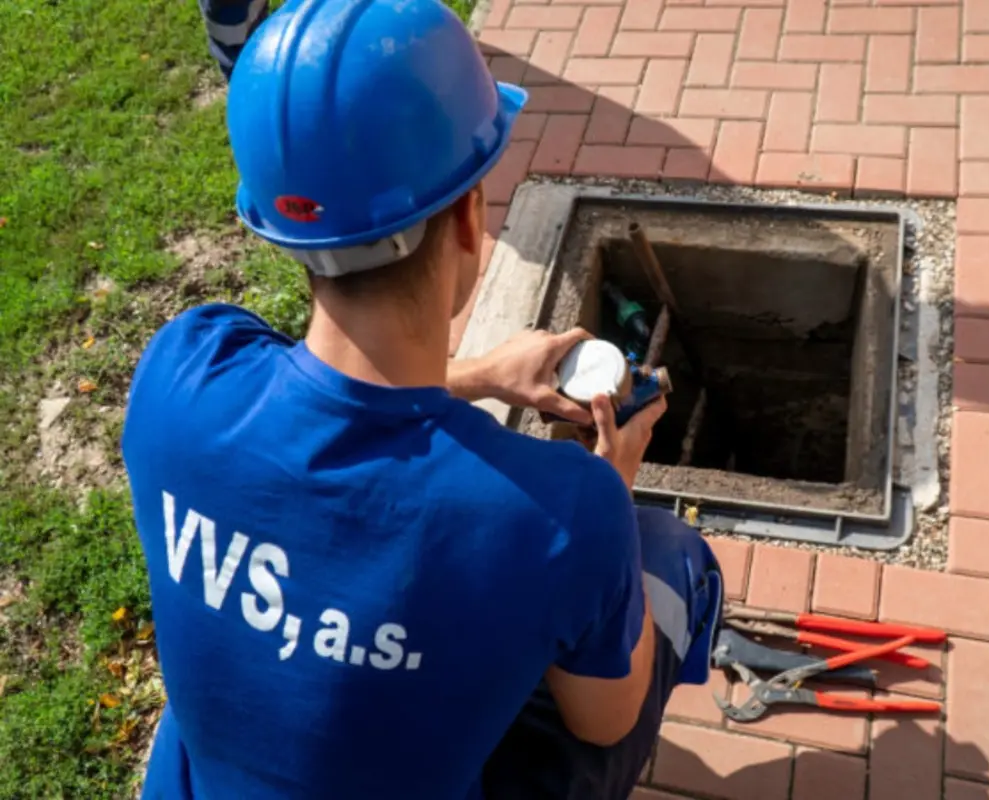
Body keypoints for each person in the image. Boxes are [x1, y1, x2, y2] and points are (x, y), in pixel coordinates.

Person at [124, 0, 724, 797]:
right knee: (674, 562)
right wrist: (608, 495)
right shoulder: (561, 515)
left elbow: (334, 398)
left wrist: (478, 376)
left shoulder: (181, 374)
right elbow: (607, 723)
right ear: (472, 219)